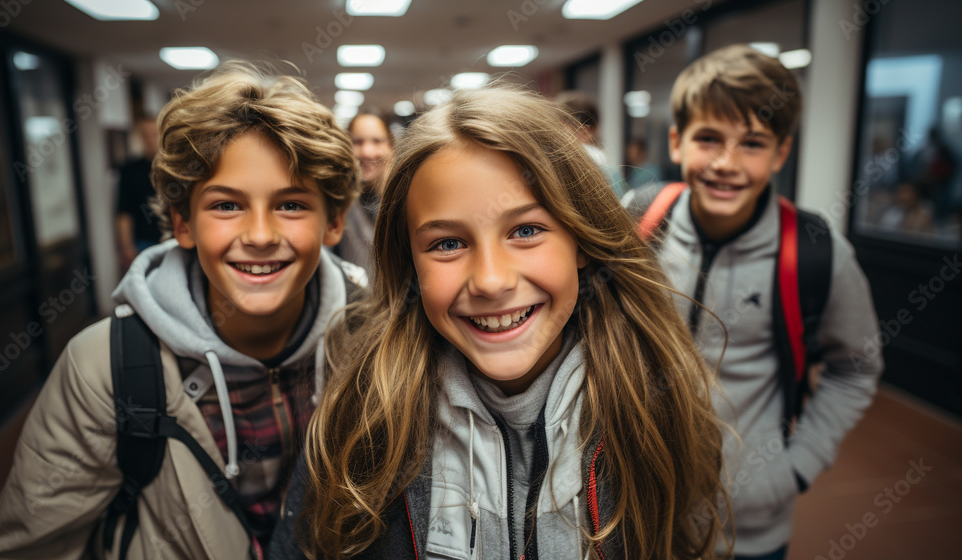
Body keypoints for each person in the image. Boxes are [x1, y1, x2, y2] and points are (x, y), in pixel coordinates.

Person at [269, 85, 726, 559]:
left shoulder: (654, 407)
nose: (490, 281)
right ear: (410, 266)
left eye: (526, 231)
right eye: (447, 243)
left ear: (583, 241)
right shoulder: (359, 420)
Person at [0, 60, 364, 560]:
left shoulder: (373, 340)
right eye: (226, 205)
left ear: (334, 222)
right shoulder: (105, 367)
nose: (258, 235)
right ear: (183, 223)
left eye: (291, 204)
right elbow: (35, 547)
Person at [625, 45, 883, 560]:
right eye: (708, 139)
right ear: (677, 142)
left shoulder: (817, 252)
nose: (725, 163)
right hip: (635, 506)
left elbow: (855, 368)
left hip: (747, 527)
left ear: (781, 153)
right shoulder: (638, 223)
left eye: (752, 144)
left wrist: (795, 467)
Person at [330, 110, 394, 271]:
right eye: (357, 142)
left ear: (391, 147)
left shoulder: (404, 200)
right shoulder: (335, 201)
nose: (367, 152)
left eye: (377, 141)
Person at [116, 116, 163, 272]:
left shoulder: (175, 168)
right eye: (145, 134)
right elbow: (124, 211)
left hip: (174, 238)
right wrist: (126, 246)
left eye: (154, 134)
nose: (150, 139)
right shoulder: (130, 170)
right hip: (144, 242)